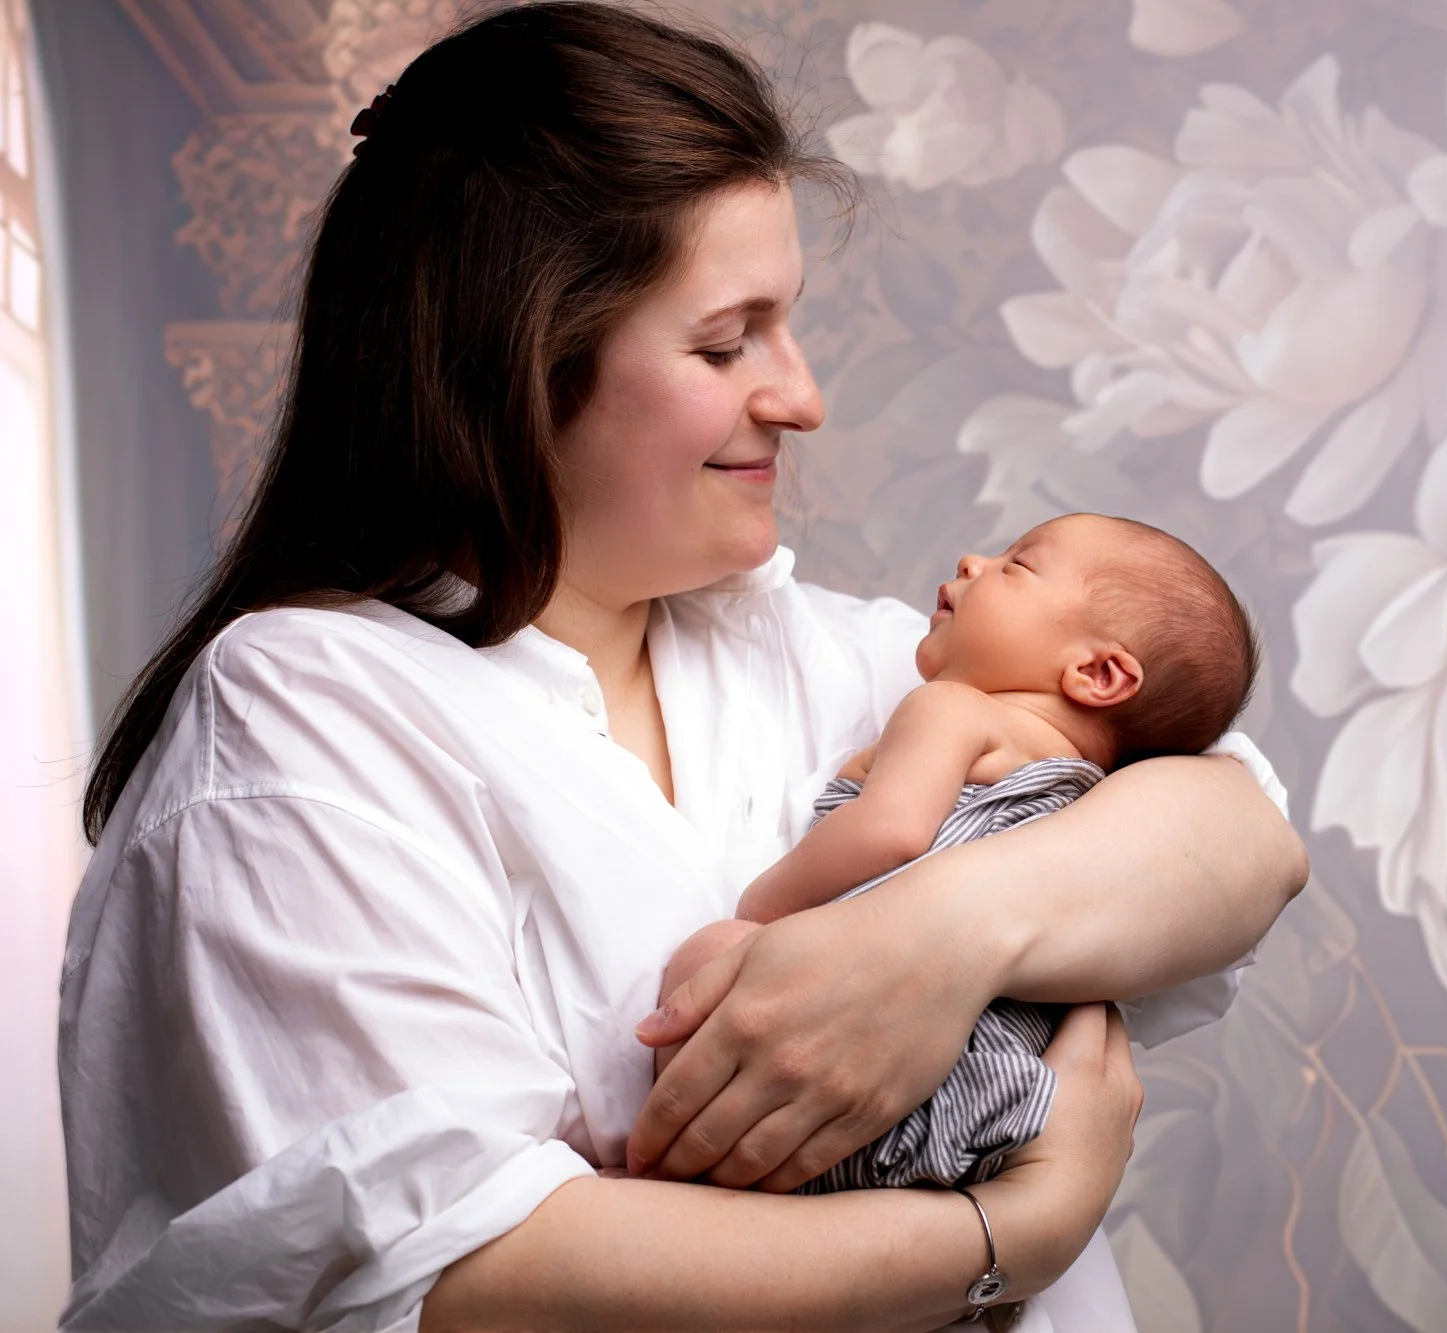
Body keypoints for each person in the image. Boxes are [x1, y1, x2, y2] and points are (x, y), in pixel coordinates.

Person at [56, 5, 1306, 1332]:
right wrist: (1008, 1233)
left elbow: (1239, 827)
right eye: (725, 343)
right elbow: (465, 1270)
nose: (801, 397)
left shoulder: (831, 652)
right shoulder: (306, 718)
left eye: (787, 327)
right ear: (513, 364)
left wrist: (938, 935)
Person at [641, 514, 1259, 1203]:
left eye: (1018, 565)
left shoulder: (952, 709)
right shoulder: (1104, 800)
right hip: (1004, 1104)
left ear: (1097, 672)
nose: (972, 560)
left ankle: (675, 1174)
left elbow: (892, 832)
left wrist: (762, 909)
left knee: (711, 954)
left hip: (854, 1079)